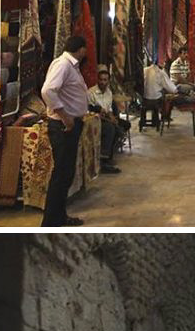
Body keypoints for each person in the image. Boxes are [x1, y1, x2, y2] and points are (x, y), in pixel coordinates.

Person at [40, 35, 89, 227]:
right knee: (61, 174)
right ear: (81, 49)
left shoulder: (71, 66)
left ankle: (59, 217)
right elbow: (47, 91)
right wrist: (65, 116)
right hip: (63, 127)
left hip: (69, 125)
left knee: (66, 173)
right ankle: (50, 223)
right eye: (85, 49)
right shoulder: (63, 65)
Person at [87, 65, 131, 174]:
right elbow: (89, 109)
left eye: (105, 80)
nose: (103, 82)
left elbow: (109, 109)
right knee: (110, 128)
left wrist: (112, 117)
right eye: (101, 80)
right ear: (97, 80)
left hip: (106, 117)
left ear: (108, 81)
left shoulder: (109, 92)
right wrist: (102, 113)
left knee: (125, 125)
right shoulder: (91, 92)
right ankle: (104, 160)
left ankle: (109, 153)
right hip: (95, 119)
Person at [142, 60, 179, 130]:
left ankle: (152, 120)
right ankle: (164, 117)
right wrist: (176, 91)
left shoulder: (144, 70)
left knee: (158, 92)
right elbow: (170, 87)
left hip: (144, 99)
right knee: (167, 98)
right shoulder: (160, 72)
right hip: (155, 100)